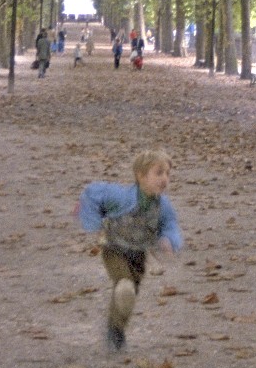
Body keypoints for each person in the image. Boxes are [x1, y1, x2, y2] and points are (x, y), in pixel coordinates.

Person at [78, 148, 182, 352]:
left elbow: (170, 224)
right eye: (159, 172)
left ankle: (116, 328)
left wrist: (169, 240)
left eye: (168, 174)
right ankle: (115, 333)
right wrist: (92, 221)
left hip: (138, 255)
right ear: (140, 176)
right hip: (114, 249)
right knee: (124, 287)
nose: (165, 178)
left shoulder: (163, 206)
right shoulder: (120, 196)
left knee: (127, 296)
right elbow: (92, 193)